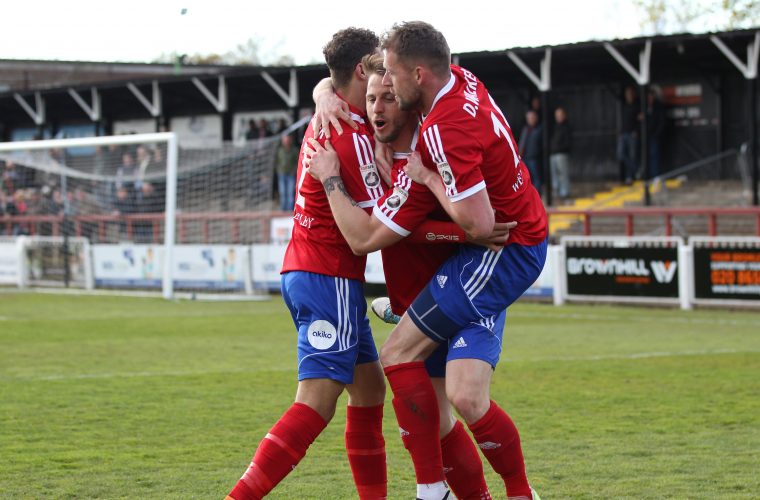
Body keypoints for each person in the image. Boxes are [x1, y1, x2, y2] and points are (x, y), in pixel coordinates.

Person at [307, 53, 514, 500]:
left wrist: (456, 229)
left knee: (468, 399)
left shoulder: (432, 149)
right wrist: (322, 92)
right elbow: (334, 81)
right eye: (370, 99)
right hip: (417, 302)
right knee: (438, 423)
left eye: (387, 98)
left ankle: (510, 490)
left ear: (408, 100)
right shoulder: (367, 147)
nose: (376, 108)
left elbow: (467, 232)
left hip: (462, 294)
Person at [377, 22, 547, 500]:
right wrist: (325, 89)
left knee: (396, 353)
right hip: (511, 240)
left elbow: (477, 226)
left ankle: (433, 490)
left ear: (418, 74)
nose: (386, 85)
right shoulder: (463, 78)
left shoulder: (442, 131)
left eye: (391, 75)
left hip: (500, 253)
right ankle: (517, 494)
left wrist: (427, 178)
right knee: (466, 395)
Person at [225, 28, 388, 500]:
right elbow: (385, 221)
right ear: (361, 70)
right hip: (328, 275)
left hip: (309, 269)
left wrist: (323, 91)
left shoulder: (330, 110)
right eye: (377, 65)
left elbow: (329, 83)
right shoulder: (348, 132)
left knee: (371, 389)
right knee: (316, 403)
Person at [549, 107, 572, 200]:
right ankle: (557, 191)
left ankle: (565, 192)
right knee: (554, 174)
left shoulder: (567, 126)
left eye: (560, 115)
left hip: (562, 153)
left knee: (563, 173)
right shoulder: (555, 126)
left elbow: (568, 141)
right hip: (553, 153)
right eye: (557, 115)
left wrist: (562, 148)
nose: (558, 117)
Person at [618, 86, 639, 184]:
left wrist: (636, 131)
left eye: (630, 94)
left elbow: (640, 120)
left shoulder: (636, 105)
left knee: (632, 156)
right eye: (627, 94)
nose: (628, 96)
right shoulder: (624, 105)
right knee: (621, 154)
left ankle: (629, 177)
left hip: (631, 134)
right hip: (623, 133)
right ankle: (636, 170)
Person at [519, 109, 543, 194]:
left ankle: (537, 195)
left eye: (532, 118)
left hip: (534, 157)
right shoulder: (525, 129)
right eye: (529, 118)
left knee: (537, 178)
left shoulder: (539, 129)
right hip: (524, 157)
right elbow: (522, 142)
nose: (530, 120)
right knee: (526, 178)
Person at [274, 133, 299, 211]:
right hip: (282, 174)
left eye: (287, 140)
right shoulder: (279, 150)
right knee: (282, 192)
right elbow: (276, 162)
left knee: (290, 192)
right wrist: (278, 170)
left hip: (291, 174)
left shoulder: (294, 150)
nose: (286, 141)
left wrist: (294, 171)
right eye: (285, 140)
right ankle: (283, 209)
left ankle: (290, 209)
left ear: (290, 140)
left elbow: (297, 162)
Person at [646, 87, 666, 181]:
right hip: (646, 137)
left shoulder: (658, 107)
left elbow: (661, 122)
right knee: (647, 156)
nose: (650, 98)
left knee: (655, 155)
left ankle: (656, 176)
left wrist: (657, 134)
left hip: (654, 136)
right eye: (648, 97)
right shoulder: (644, 106)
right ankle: (648, 176)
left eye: (651, 96)